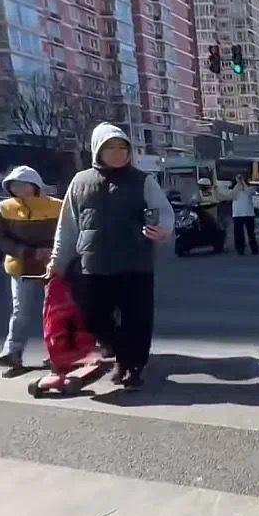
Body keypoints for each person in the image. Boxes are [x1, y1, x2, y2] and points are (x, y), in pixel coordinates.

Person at [49, 122, 173, 390]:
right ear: (97, 150)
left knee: (137, 319)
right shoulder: (80, 182)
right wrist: (57, 262)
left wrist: (161, 229)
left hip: (135, 264)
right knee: (92, 316)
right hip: (93, 265)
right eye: (110, 148)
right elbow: (67, 226)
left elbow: (163, 211)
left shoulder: (143, 180)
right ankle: (120, 352)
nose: (118, 153)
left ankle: (133, 366)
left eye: (122, 148)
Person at [0, 166, 62, 369]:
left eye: (24, 184)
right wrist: (23, 251)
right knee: (21, 311)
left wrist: (52, 251)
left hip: (53, 265)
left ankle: (60, 352)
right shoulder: (5, 208)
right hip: (21, 266)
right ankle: (12, 352)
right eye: (14, 186)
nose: (19, 189)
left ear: (36, 185)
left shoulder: (58, 206)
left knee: (56, 311)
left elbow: (69, 232)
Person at [231, 174, 258, 256]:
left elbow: (249, 192)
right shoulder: (233, 189)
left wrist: (243, 182)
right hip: (237, 214)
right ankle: (240, 249)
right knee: (238, 233)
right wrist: (238, 183)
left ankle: (254, 249)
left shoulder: (249, 188)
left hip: (248, 213)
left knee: (251, 233)